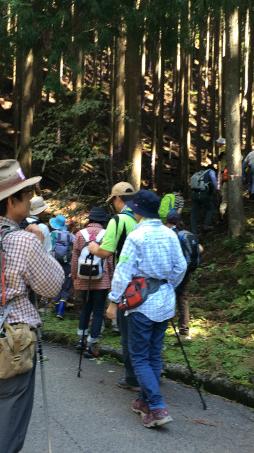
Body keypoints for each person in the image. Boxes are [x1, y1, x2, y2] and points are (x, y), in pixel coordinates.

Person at [0, 159, 64, 453]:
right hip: (12, 343)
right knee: (7, 419)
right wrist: (42, 244)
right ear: (11, 200)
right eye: (26, 192)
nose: (31, 197)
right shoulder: (23, 241)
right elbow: (53, 286)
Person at [106, 190, 187, 428]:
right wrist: (166, 285)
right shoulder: (170, 233)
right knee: (153, 353)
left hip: (141, 304)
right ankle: (143, 401)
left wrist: (113, 301)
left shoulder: (136, 236)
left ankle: (158, 407)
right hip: (164, 301)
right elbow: (180, 267)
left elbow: (124, 271)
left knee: (139, 357)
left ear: (138, 210)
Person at [87, 181, 139, 390]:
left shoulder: (118, 220)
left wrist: (93, 247)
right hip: (150, 282)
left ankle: (133, 378)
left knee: (127, 332)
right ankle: (152, 370)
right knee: (145, 329)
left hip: (129, 283)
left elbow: (105, 252)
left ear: (118, 199)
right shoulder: (145, 217)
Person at [71, 207, 113, 358]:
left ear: (90, 219)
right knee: (98, 311)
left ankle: (81, 340)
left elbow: (75, 257)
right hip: (102, 279)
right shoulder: (107, 234)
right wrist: (112, 277)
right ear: (102, 220)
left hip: (84, 277)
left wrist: (74, 275)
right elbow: (109, 258)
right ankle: (92, 346)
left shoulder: (79, 234)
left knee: (86, 308)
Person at [165, 211, 203, 340]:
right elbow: (201, 249)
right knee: (183, 299)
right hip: (186, 270)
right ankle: (184, 330)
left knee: (167, 297)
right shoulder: (186, 234)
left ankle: (163, 327)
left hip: (172, 271)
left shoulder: (170, 234)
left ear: (167, 222)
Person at [49, 214, 75, 318]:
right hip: (67, 263)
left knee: (56, 285)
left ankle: (56, 308)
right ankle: (60, 312)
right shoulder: (70, 235)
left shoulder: (52, 234)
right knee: (66, 286)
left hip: (54, 263)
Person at [190, 165, 218, 234]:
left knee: (194, 214)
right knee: (210, 208)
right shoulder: (211, 172)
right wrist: (218, 188)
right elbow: (214, 179)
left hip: (194, 194)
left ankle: (194, 232)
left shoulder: (199, 173)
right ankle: (206, 225)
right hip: (203, 194)